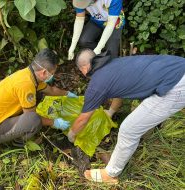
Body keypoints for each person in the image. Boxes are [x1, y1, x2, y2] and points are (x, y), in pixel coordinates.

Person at [67, 49, 185, 183]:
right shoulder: (114, 63)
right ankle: (145, 135)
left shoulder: (96, 84)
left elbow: (83, 118)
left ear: (84, 68)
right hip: (178, 67)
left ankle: (111, 174)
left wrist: (71, 135)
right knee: (141, 118)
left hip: (175, 86)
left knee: (128, 130)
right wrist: (110, 112)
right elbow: (120, 90)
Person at [0, 49, 77, 147]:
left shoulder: (30, 75)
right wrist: (54, 122)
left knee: (38, 96)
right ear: (44, 72)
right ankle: (18, 143)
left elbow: (51, 91)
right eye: (52, 73)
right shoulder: (26, 85)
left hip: (0, 118)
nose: (53, 76)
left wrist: (68, 94)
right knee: (34, 120)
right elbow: (30, 117)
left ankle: (17, 132)